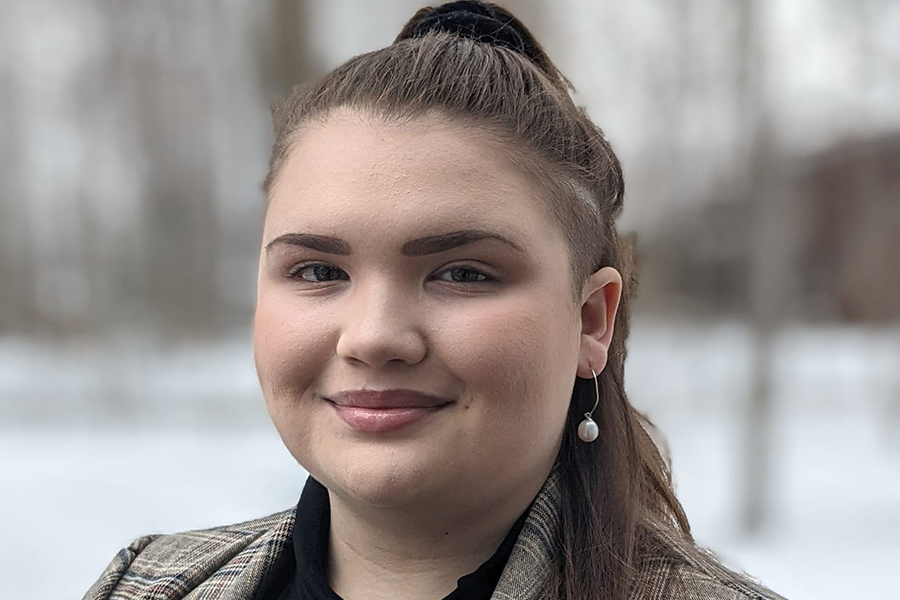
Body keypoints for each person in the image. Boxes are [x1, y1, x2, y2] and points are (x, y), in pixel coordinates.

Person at [84, 2, 788, 599]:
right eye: (318, 272)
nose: (372, 336)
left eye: (463, 274)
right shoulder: (146, 584)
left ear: (589, 321)